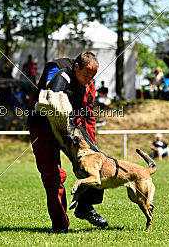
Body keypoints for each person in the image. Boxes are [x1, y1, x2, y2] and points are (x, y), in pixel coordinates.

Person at [27, 52, 107, 233]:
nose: (89, 80)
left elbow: (87, 112)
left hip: (72, 127)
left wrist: (91, 144)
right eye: (86, 76)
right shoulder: (58, 68)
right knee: (53, 176)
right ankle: (61, 225)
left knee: (97, 163)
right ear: (76, 67)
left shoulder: (89, 82)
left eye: (92, 77)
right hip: (43, 126)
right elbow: (51, 88)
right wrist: (56, 93)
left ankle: (85, 207)